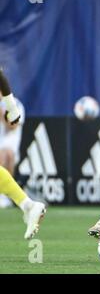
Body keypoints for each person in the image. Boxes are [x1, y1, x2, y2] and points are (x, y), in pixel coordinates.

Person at [0, 70, 46, 239]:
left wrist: (10, 106)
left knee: (6, 155)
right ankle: (28, 205)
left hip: (8, 150)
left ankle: (27, 205)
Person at [0, 81, 25, 208]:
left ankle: (4, 196)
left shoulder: (14, 104)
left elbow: (13, 126)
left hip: (8, 148)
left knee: (6, 154)